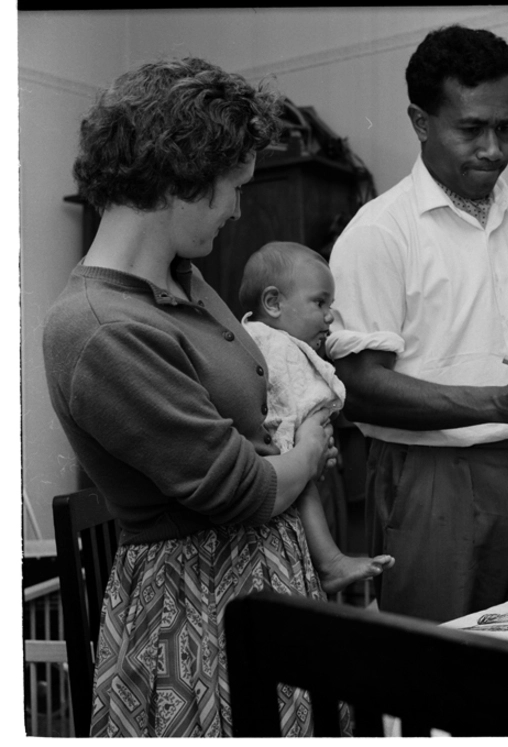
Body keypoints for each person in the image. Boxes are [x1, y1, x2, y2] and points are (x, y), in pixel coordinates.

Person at [43, 57, 350, 737]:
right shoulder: (97, 328)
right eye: (232, 187)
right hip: (197, 610)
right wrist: (302, 450)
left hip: (260, 580)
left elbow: (241, 428)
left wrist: (276, 460)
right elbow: (238, 488)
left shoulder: (184, 276)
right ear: (182, 176)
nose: (239, 207)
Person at [327, 25, 508, 624]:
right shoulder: (379, 231)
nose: (493, 147)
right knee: (437, 681)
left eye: (506, 126)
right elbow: (359, 387)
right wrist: (497, 402)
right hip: (428, 481)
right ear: (420, 121)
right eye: (471, 129)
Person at [238, 240, 395, 593]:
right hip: (278, 461)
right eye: (320, 302)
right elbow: (294, 412)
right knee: (305, 493)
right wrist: (308, 446)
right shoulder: (277, 346)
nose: (329, 316)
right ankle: (330, 562)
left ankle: (328, 562)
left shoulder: (254, 336)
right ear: (274, 303)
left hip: (282, 458)